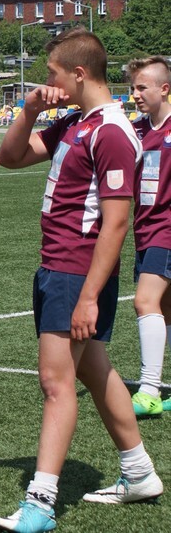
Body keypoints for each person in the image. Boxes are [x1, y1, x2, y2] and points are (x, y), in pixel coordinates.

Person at [0, 28, 161, 533]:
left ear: (79, 74)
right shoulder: (74, 120)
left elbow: (117, 222)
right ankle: (140, 473)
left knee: (55, 382)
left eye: (53, 73)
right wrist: (28, 110)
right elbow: (10, 157)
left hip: (76, 271)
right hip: (59, 267)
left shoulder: (110, 131)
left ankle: (41, 503)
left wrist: (88, 296)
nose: (48, 81)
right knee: (95, 372)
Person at [125, 56, 171, 417]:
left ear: (164, 89)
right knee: (166, 308)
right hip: (144, 228)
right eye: (133, 88)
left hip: (166, 230)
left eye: (142, 88)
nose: (135, 94)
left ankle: (149, 390)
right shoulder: (136, 129)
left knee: (144, 301)